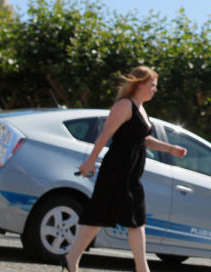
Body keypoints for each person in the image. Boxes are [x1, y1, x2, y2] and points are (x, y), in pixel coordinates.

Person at [61, 66, 187, 272]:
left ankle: (72, 258)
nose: (155, 90)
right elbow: (105, 134)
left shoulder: (140, 107)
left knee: (128, 218)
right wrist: (90, 161)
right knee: (109, 216)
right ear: (140, 83)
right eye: (152, 85)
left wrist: (170, 148)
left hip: (131, 171)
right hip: (117, 169)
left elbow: (142, 138)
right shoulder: (124, 105)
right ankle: (139, 268)